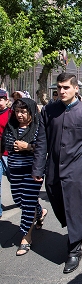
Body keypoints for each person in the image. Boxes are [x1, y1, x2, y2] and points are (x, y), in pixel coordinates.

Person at [32, 72, 82, 273]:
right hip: (53, 167)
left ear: (76, 88)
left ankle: (74, 250)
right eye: (59, 87)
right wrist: (38, 168)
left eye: (66, 87)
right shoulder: (49, 110)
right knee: (56, 199)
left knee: (72, 205)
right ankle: (77, 219)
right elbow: (42, 141)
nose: (61, 91)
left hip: (77, 167)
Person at [2, 98, 46, 256]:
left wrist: (27, 147)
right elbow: (5, 145)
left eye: (23, 111)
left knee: (27, 204)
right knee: (19, 200)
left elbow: (43, 149)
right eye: (17, 111)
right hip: (14, 170)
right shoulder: (11, 126)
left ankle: (26, 237)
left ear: (31, 112)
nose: (20, 115)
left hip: (32, 172)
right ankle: (40, 212)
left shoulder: (38, 127)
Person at [0, 89, 12, 219]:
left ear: (6, 101)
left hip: (9, 154)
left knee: (15, 182)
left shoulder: (12, 114)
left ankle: (33, 206)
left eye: (0, 99)